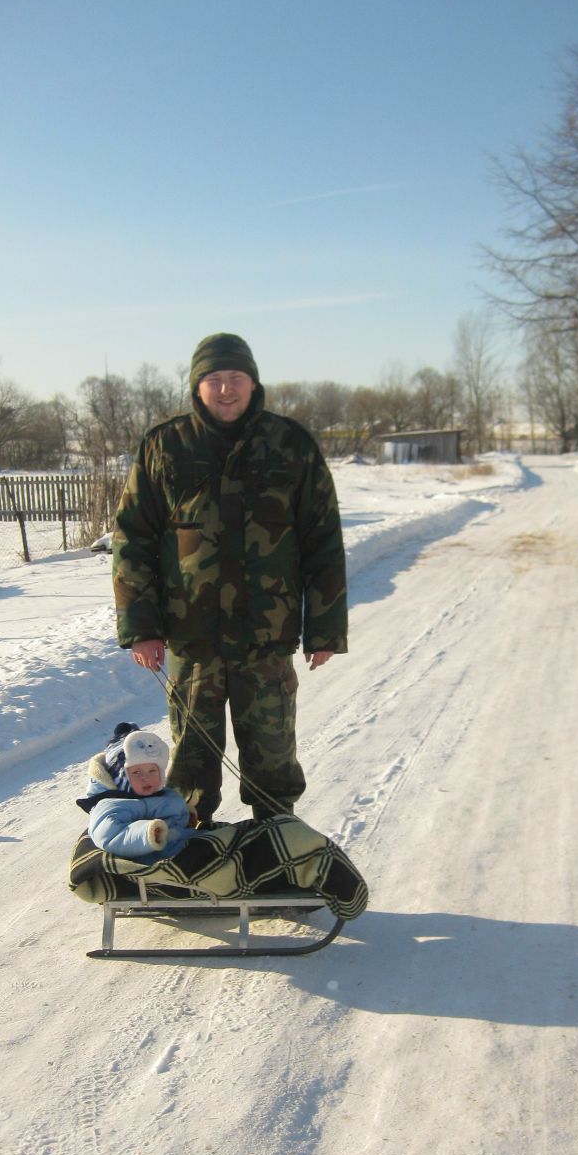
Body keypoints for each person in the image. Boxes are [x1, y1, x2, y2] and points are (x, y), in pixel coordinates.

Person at [112, 331, 348, 825]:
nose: (225, 389)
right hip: (190, 636)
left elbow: (322, 540)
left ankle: (276, 833)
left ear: (252, 382)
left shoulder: (290, 445)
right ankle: (192, 840)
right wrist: (143, 627)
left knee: (272, 749)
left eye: (235, 378)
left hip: (266, 636)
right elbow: (133, 539)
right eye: (213, 379)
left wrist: (324, 629)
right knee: (193, 755)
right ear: (197, 386)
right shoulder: (165, 446)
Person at [82, 723, 193, 860]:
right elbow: (109, 834)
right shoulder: (110, 805)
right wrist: (147, 833)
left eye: (152, 771)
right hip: (149, 858)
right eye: (136, 772)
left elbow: (174, 810)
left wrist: (186, 816)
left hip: (179, 845)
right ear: (121, 777)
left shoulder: (163, 794)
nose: (146, 778)